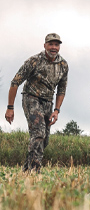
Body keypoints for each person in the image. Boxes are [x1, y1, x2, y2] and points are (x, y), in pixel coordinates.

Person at [5, 33, 69, 172]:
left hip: (48, 102)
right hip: (31, 98)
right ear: (44, 45)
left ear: (59, 47)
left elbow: (62, 90)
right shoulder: (34, 61)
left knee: (44, 140)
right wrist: (10, 107)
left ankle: (26, 171)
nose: (53, 47)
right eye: (50, 44)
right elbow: (15, 82)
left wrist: (56, 110)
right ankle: (35, 171)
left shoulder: (63, 65)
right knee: (38, 134)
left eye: (56, 45)